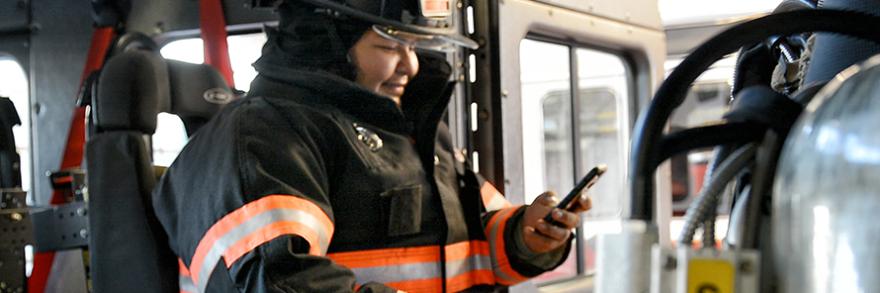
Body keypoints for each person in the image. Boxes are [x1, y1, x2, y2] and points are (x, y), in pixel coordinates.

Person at [154, 0, 592, 292]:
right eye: (389, 45)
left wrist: (527, 236)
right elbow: (280, 277)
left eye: (416, 46)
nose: (411, 64)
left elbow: (472, 241)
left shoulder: (410, 129)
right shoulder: (265, 134)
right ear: (328, 40)